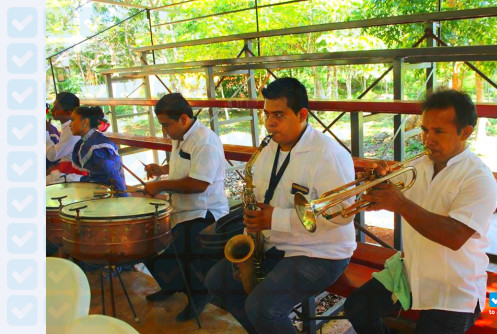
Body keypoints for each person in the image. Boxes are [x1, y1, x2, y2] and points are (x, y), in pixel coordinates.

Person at [205, 77, 356, 334]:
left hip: (321, 253)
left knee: (264, 307)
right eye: (266, 115)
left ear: (302, 114)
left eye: (278, 115)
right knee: (216, 282)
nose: (270, 123)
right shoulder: (268, 151)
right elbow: (260, 202)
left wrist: (275, 219)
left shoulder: (328, 154)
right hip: (277, 245)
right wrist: (251, 235)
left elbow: (340, 216)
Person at [343, 89, 497, 334]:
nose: (428, 140)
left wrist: (400, 203)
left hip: (453, 289)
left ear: (466, 132)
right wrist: (376, 188)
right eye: (425, 130)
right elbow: (382, 202)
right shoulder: (416, 166)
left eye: (439, 132)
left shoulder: (478, 178)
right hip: (408, 273)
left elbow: (454, 236)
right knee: (357, 308)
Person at [142, 93, 229, 322]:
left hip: (205, 212)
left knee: (176, 246)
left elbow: (199, 183)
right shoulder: (180, 135)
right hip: (183, 209)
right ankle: (173, 284)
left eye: (166, 125)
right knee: (146, 245)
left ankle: (200, 295)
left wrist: (160, 185)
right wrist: (161, 171)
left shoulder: (205, 141)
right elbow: (185, 165)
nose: (164, 131)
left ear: (183, 118)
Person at [70, 106, 127, 193]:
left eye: (73, 120)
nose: (70, 124)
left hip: (108, 194)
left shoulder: (94, 147)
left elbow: (108, 177)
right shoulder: (92, 140)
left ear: (85, 122)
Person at [46, 92, 85, 184]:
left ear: (69, 112)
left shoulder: (72, 130)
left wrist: (45, 133)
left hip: (73, 176)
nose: (52, 110)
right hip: (66, 170)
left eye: (57, 108)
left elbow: (52, 156)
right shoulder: (68, 127)